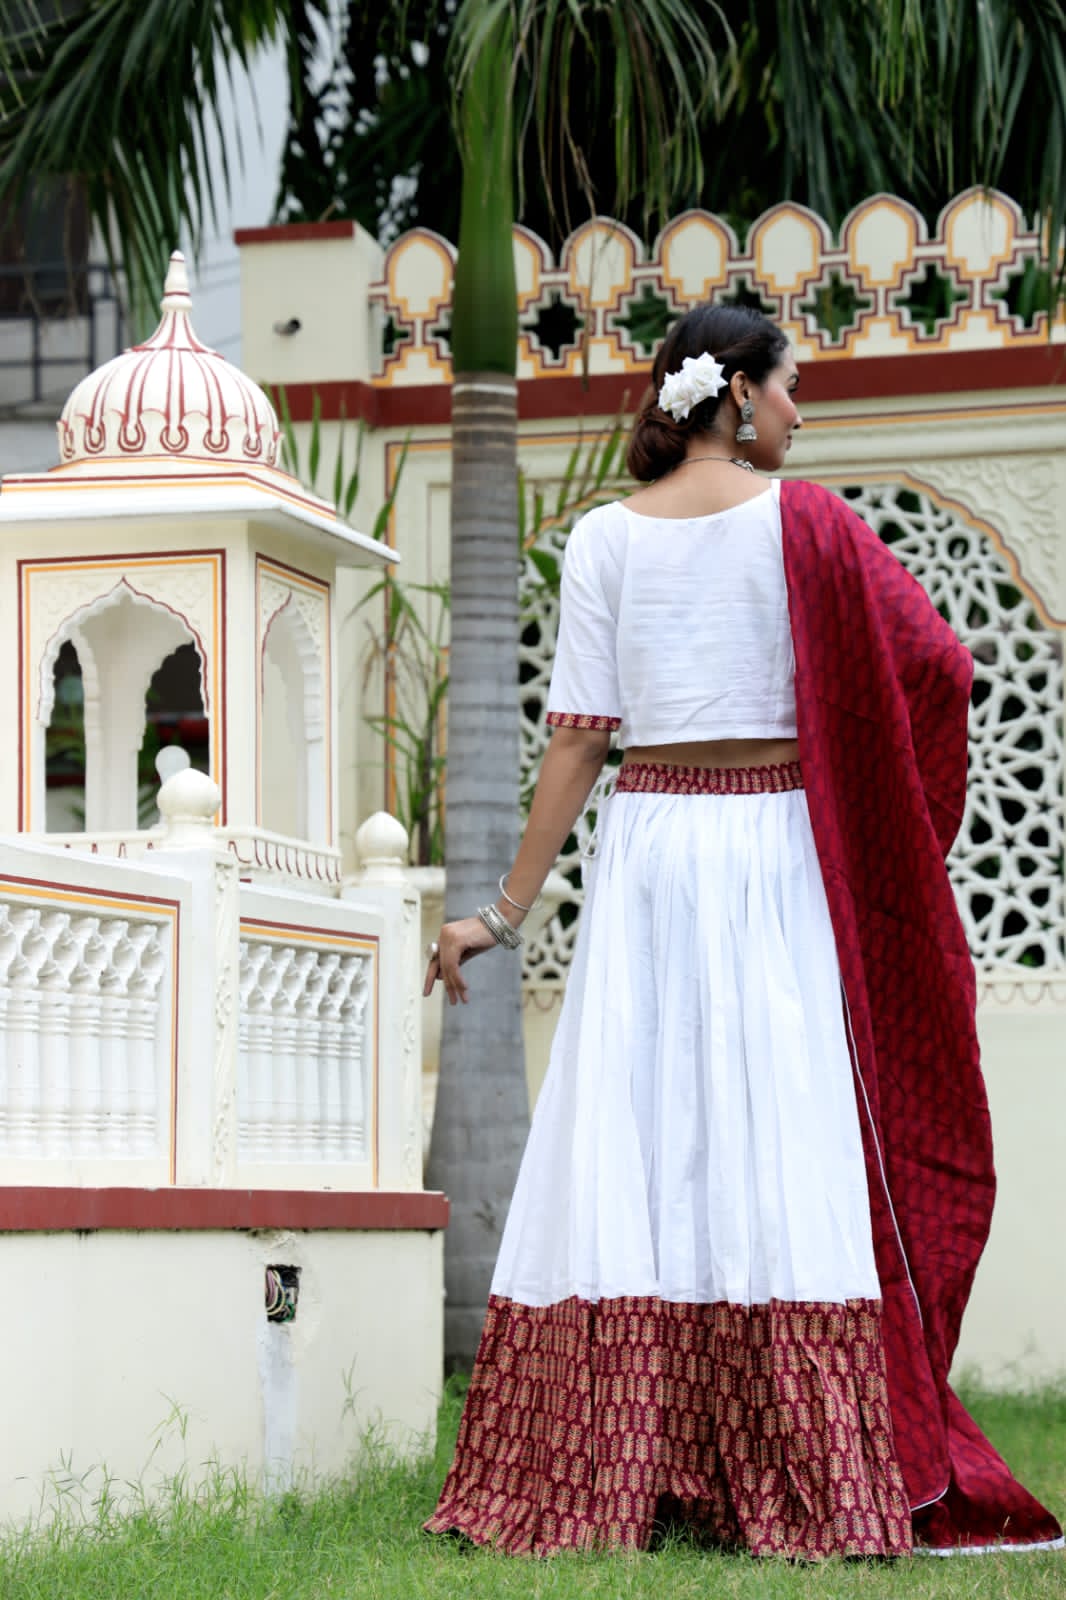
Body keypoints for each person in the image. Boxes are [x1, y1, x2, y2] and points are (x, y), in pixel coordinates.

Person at [422, 304, 1063, 1559]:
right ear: (735, 397)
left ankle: (629, 1465)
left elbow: (578, 741)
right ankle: (804, 1470)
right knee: (778, 1139)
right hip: (773, 849)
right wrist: (888, 817)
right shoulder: (809, 524)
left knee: (647, 1138)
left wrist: (501, 913)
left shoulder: (605, 536)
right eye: (787, 389)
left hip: (650, 852)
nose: (798, 413)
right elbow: (935, 666)